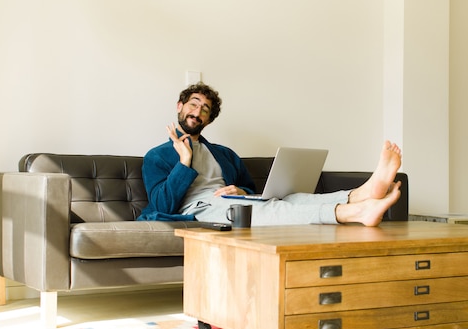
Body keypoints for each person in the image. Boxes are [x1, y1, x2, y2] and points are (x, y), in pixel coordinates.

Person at [138, 83, 402, 227]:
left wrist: (240, 190)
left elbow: (249, 188)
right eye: (193, 104)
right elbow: (163, 205)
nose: (197, 112)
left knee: (291, 198)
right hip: (201, 209)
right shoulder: (157, 156)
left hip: (230, 201)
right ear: (180, 107)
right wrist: (184, 162)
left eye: (205, 109)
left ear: (210, 119)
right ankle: (353, 213)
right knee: (271, 210)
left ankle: (361, 193)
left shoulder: (224, 154)